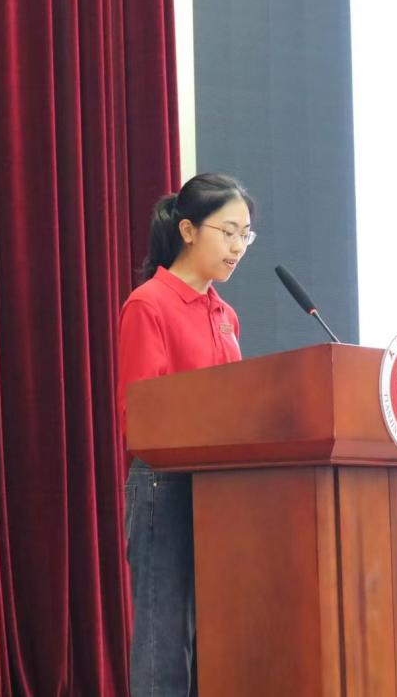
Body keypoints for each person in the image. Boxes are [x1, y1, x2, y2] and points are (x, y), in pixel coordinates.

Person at [117, 173, 256, 695]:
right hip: (165, 487)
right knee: (164, 641)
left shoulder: (227, 315)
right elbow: (140, 416)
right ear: (189, 230)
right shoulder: (149, 304)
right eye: (228, 232)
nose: (238, 247)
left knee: (217, 637)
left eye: (246, 235)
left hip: (221, 490)